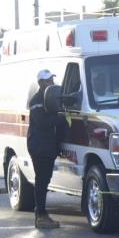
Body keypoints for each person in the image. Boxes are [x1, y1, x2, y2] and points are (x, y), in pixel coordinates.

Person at [28, 69, 69, 229]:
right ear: (41, 83)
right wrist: (59, 117)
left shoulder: (53, 98)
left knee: (45, 180)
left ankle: (41, 214)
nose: (51, 82)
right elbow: (42, 123)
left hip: (48, 146)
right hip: (38, 145)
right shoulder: (36, 101)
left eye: (52, 79)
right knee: (41, 180)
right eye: (47, 80)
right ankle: (41, 215)